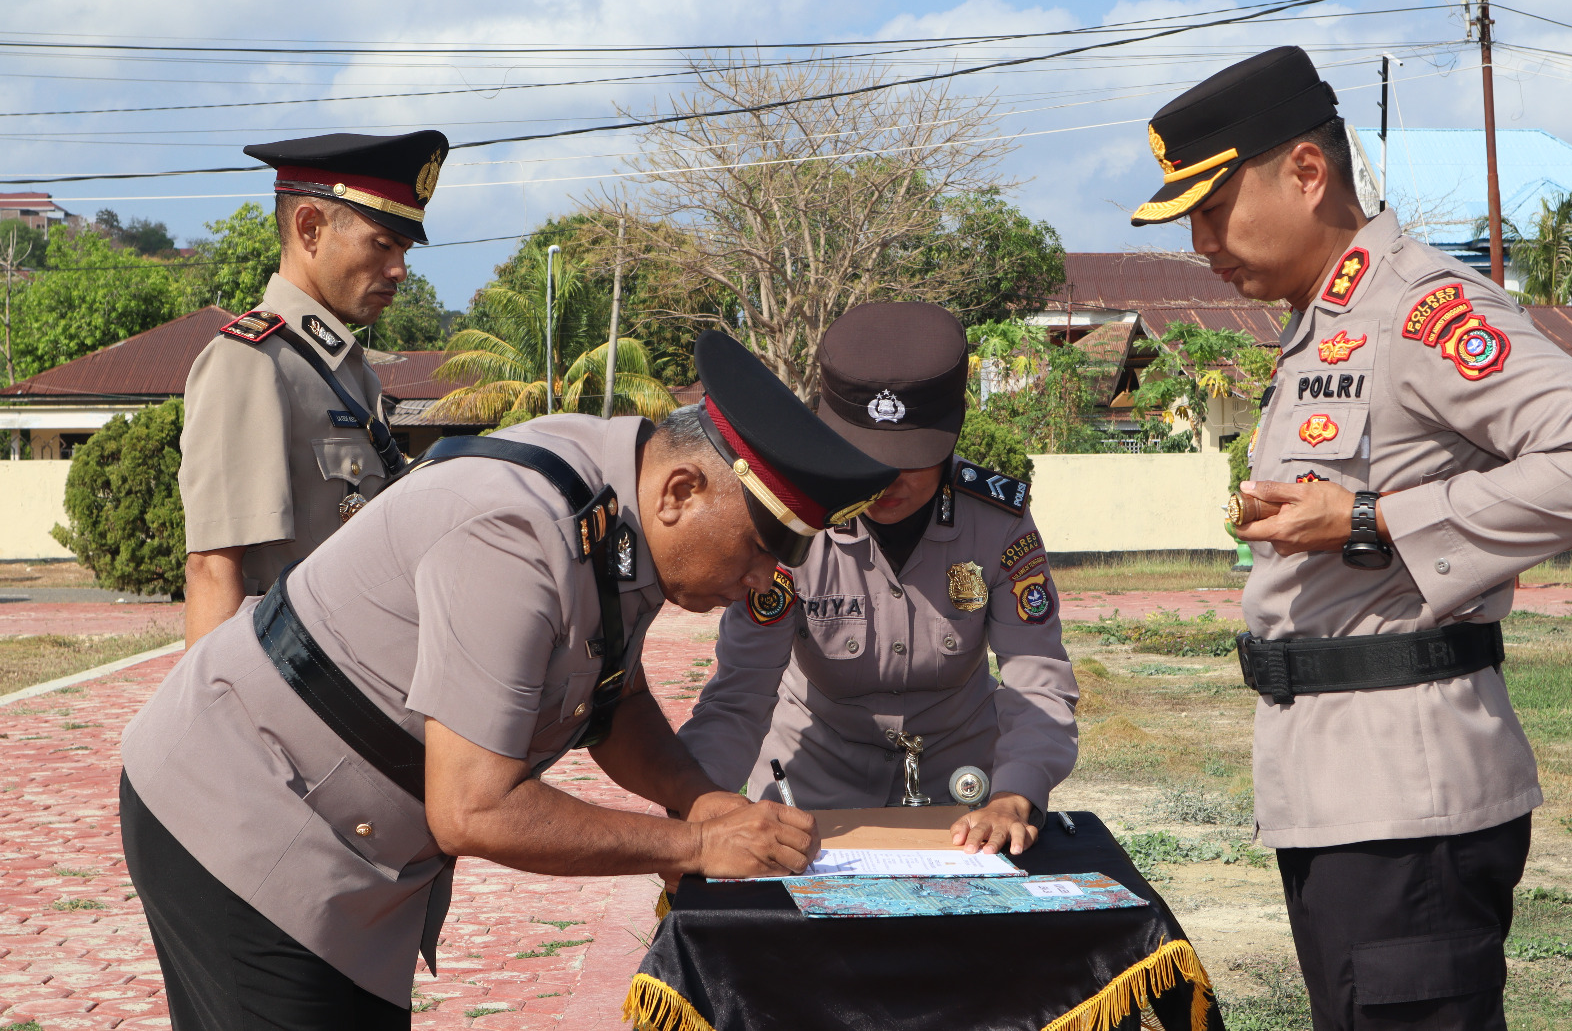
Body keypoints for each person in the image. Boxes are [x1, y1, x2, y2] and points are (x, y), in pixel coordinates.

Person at [119, 330, 898, 1029]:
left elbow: (614, 699)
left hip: (353, 839)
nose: (764, 580)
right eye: (763, 546)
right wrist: (695, 842)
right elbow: (476, 807)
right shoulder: (521, 532)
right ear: (682, 492)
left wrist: (701, 797)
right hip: (244, 818)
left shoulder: (627, 497)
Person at [1130, 46, 1572, 1030]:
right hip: (1342, 790)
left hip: (1408, 801)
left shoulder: (1418, 310)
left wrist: (1368, 518)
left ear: (1306, 172)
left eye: (1212, 209)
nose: (1201, 243)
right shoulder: (1323, 323)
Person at [677, 302, 1079, 857]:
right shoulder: (792, 521)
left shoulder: (996, 522)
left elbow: (1037, 676)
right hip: (810, 793)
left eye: (910, 455)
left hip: (964, 799)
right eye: (864, 455)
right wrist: (694, 803)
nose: (886, 478)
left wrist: (1016, 794)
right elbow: (741, 690)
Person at [180, 130, 449, 645]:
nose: (400, 270)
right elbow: (213, 570)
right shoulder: (251, 361)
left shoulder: (347, 368)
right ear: (310, 229)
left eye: (404, 249)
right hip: (290, 689)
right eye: (383, 243)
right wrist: (214, 719)